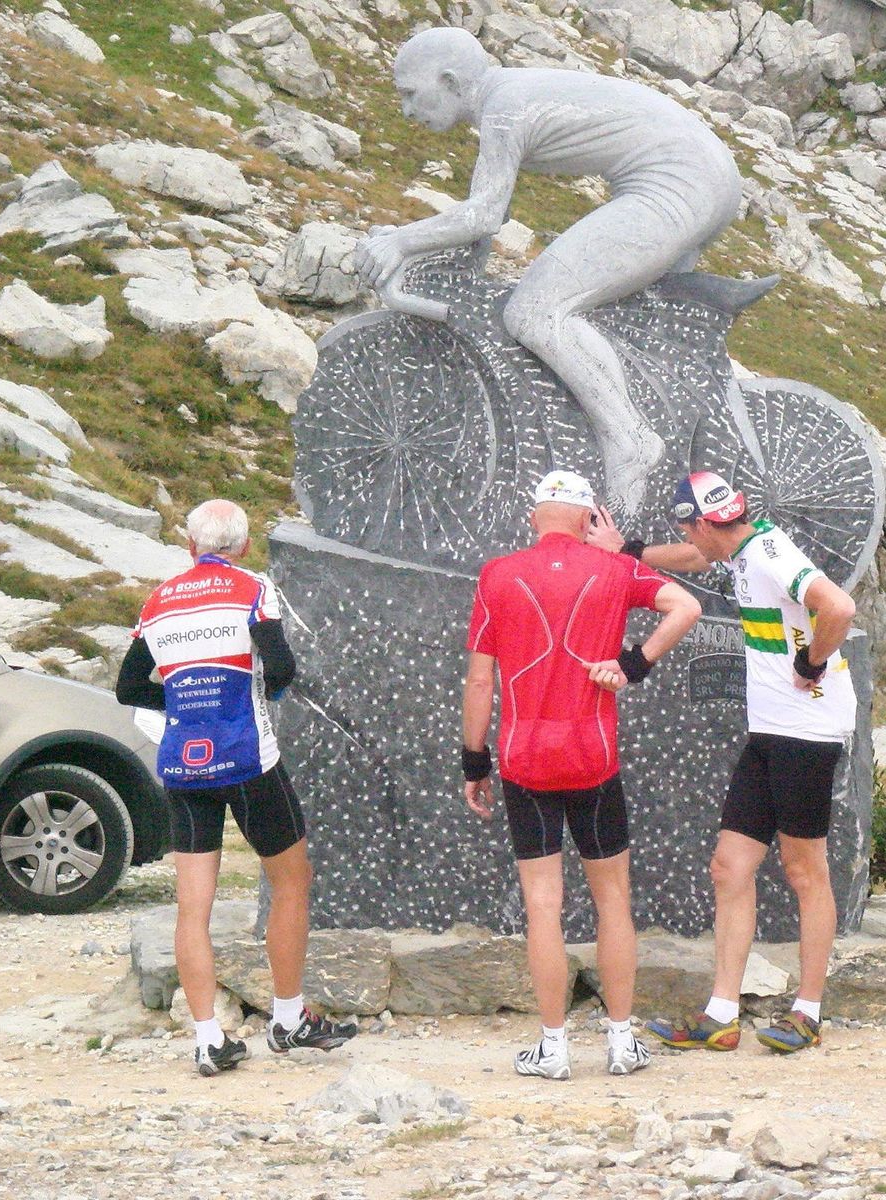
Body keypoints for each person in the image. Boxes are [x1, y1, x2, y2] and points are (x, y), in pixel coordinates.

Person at [354, 27, 744, 515]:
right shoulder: (512, 91)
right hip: (712, 178)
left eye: (411, 93)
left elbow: (484, 215)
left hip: (679, 181)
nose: (406, 111)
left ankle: (631, 440)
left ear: (450, 81)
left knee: (534, 313)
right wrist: (414, 239)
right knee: (604, 314)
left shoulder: (504, 108)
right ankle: (650, 442)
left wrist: (398, 241)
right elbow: (487, 219)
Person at [587, 472, 856, 1054]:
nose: (688, 538)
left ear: (704, 523)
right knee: (729, 867)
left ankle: (807, 1012)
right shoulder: (739, 544)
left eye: (688, 528)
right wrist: (629, 551)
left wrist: (811, 663)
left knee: (804, 869)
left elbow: (839, 606)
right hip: (770, 730)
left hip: (807, 729)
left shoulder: (768, 552)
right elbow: (694, 556)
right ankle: (721, 1014)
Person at [462, 469, 701, 1079]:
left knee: (543, 905)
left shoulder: (497, 575)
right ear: (587, 518)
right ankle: (621, 1042)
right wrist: (632, 664)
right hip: (593, 754)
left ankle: (553, 1047)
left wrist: (474, 760)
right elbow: (687, 606)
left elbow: (481, 680)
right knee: (612, 899)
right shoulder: (617, 569)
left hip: (523, 757)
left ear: (534, 516)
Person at [116, 499, 357, 1077]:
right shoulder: (253, 588)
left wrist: (181, 703)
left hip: (183, 762)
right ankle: (288, 1017)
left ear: (190, 545)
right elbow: (281, 667)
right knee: (291, 881)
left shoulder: (158, 601)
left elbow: (128, 686)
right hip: (249, 759)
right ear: (243, 546)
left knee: (192, 905)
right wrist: (257, 696)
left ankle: (208, 1040)